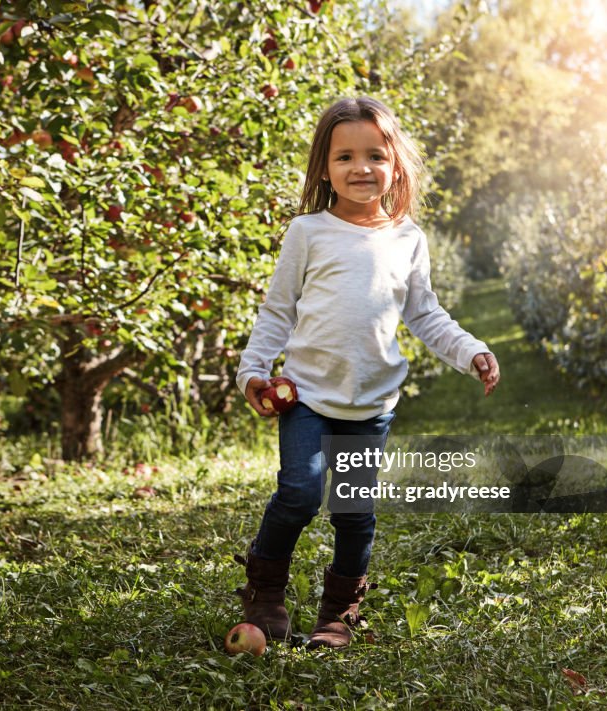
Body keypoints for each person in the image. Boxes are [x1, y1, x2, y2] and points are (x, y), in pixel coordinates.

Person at [233, 96, 500, 649]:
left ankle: (337, 612)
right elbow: (278, 309)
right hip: (305, 395)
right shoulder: (308, 232)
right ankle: (265, 596)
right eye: (345, 156)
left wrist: (470, 350)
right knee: (300, 492)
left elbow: (425, 313)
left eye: (375, 155)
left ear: (395, 163)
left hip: (372, 404)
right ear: (325, 167)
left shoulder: (407, 238)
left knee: (354, 511)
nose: (361, 168)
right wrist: (253, 371)